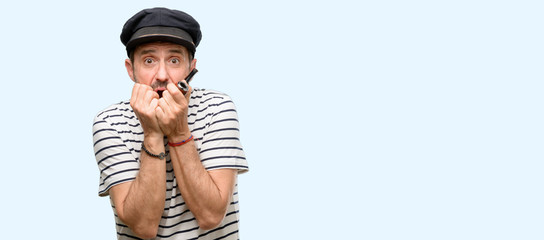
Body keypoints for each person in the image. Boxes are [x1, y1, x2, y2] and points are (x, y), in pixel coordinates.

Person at [92, 7, 249, 239]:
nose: (162, 75)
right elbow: (144, 227)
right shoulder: (109, 122)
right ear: (131, 69)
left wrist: (178, 130)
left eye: (174, 60)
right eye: (149, 60)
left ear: (191, 67)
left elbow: (211, 216)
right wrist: (152, 134)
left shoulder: (218, 108)